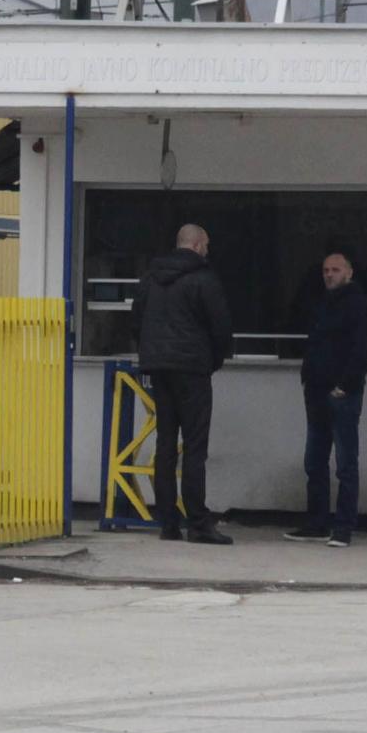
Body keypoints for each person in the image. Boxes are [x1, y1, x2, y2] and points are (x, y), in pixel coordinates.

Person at [130, 223, 234, 543]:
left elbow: (136, 320)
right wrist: (212, 362)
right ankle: (198, 523)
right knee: (194, 447)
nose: (208, 250)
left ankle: (168, 523)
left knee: (165, 444)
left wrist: (151, 354)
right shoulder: (204, 279)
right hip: (192, 370)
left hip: (159, 369)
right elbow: (221, 327)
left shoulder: (150, 279)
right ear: (199, 245)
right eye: (207, 245)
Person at [288, 249, 367, 548]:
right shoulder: (321, 302)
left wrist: (345, 385)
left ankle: (343, 527)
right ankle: (317, 523)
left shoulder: (356, 304)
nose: (329, 275)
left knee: (345, 462)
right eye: (326, 270)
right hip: (316, 388)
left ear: (349, 273)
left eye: (335, 270)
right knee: (315, 461)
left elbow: (361, 350)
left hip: (341, 393)